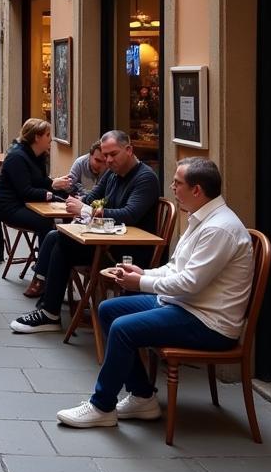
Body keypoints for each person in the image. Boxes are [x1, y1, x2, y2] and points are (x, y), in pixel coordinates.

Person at [57, 157, 254, 428]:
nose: (172, 187)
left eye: (178, 183)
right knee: (108, 310)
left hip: (208, 322)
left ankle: (102, 406)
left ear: (197, 190)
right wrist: (143, 274)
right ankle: (142, 397)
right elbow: (175, 267)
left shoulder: (219, 228)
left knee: (123, 328)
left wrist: (140, 283)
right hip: (186, 305)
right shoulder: (202, 218)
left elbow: (188, 282)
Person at [11, 130, 160, 332]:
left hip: (129, 252)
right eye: (105, 155)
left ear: (129, 150)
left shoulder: (146, 178)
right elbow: (92, 198)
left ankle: (48, 309)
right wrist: (77, 202)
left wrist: (86, 210)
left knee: (61, 241)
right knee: (57, 235)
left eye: (113, 154)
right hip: (106, 242)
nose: (108, 160)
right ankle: (47, 304)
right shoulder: (112, 173)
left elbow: (130, 214)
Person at [0, 119, 63, 250]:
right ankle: (44, 264)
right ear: (37, 137)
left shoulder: (39, 155)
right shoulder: (16, 157)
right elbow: (25, 191)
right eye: (47, 135)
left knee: (60, 218)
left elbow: (41, 180)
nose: (50, 139)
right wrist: (50, 195)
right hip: (10, 206)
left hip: (25, 202)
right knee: (45, 222)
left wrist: (57, 185)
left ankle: (52, 260)